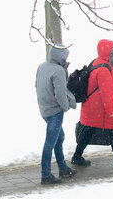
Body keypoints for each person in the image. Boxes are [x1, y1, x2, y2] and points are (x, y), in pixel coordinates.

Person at [72, 40, 113, 168]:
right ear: (110, 53)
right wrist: (111, 111)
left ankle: (77, 157)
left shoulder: (101, 62)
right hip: (101, 108)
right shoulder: (104, 69)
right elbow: (107, 93)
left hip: (93, 107)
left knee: (87, 131)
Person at [36, 45, 78, 184]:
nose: (66, 58)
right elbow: (60, 94)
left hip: (44, 109)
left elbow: (37, 84)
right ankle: (46, 175)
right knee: (50, 142)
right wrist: (65, 107)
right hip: (55, 111)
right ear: (60, 57)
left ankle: (63, 168)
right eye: (65, 56)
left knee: (59, 137)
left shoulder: (42, 66)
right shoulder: (59, 70)